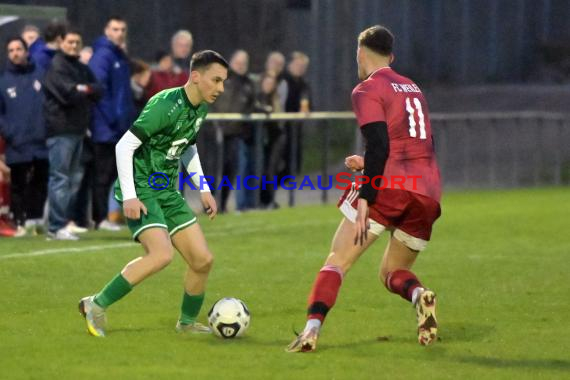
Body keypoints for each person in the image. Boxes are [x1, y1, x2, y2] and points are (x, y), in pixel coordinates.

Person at [287, 25, 442, 352]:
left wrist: (365, 199)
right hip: (427, 191)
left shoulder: (367, 89)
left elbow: (379, 143)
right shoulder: (412, 86)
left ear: (360, 52)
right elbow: (416, 142)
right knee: (392, 272)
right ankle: (419, 295)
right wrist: (368, 159)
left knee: (337, 260)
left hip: (388, 187)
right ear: (392, 56)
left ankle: (311, 330)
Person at [79, 50, 229, 338]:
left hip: (166, 190)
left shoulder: (200, 107)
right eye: (216, 80)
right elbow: (124, 146)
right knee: (161, 255)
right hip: (141, 186)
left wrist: (204, 189)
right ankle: (95, 304)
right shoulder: (165, 104)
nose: (220, 88)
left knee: (202, 260)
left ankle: (186, 324)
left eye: (223, 82)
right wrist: (132, 196)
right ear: (196, 77)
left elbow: (187, 145)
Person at [43, 29, 102, 240]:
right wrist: (84, 89)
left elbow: (99, 89)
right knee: (60, 178)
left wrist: (82, 88)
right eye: (70, 42)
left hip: (77, 129)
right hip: (61, 130)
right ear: (61, 43)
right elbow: (67, 94)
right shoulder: (57, 66)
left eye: (77, 42)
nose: (74, 45)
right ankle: (55, 226)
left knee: (70, 181)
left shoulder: (80, 67)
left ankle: (60, 223)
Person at [89, 16, 136, 231]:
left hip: (120, 127)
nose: (119, 33)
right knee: (103, 175)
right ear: (107, 31)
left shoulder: (120, 56)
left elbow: (123, 94)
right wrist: (114, 120)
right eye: (115, 29)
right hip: (106, 128)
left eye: (123, 29)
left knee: (118, 174)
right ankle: (99, 219)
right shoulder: (103, 56)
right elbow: (100, 92)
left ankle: (115, 215)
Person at [0, 37, 48, 237]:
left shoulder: (40, 75)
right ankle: (19, 221)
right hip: (17, 142)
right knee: (18, 185)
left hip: (40, 140)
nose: (15, 53)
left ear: (27, 51)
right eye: (11, 50)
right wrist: (9, 132)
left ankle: (35, 220)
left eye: (19, 49)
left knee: (40, 182)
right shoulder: (3, 80)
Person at [210, 50, 256, 212]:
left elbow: (251, 105)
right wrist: (214, 122)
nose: (240, 65)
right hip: (215, 131)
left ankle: (221, 204)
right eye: (238, 62)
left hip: (236, 134)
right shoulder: (221, 78)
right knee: (213, 169)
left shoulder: (249, 84)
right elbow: (210, 100)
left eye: (244, 62)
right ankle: (209, 203)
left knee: (230, 171)